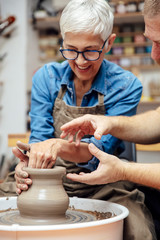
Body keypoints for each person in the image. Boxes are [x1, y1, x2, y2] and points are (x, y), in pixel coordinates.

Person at [10, 0, 157, 239]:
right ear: (62, 40)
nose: (80, 61)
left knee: (139, 232)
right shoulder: (46, 79)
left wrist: (56, 145)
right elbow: (38, 139)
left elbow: (97, 153)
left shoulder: (126, 85)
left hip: (106, 183)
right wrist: (26, 166)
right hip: (48, 179)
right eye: (71, 49)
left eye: (90, 50)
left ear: (109, 42)